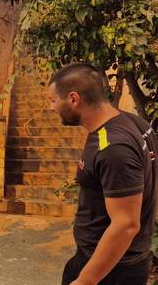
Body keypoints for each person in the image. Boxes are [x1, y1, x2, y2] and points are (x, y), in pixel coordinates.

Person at [48, 64, 156, 285]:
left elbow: (126, 224)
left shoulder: (112, 148)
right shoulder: (133, 122)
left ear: (73, 99)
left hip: (112, 270)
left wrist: (85, 281)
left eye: (52, 100)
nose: (50, 108)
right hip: (115, 261)